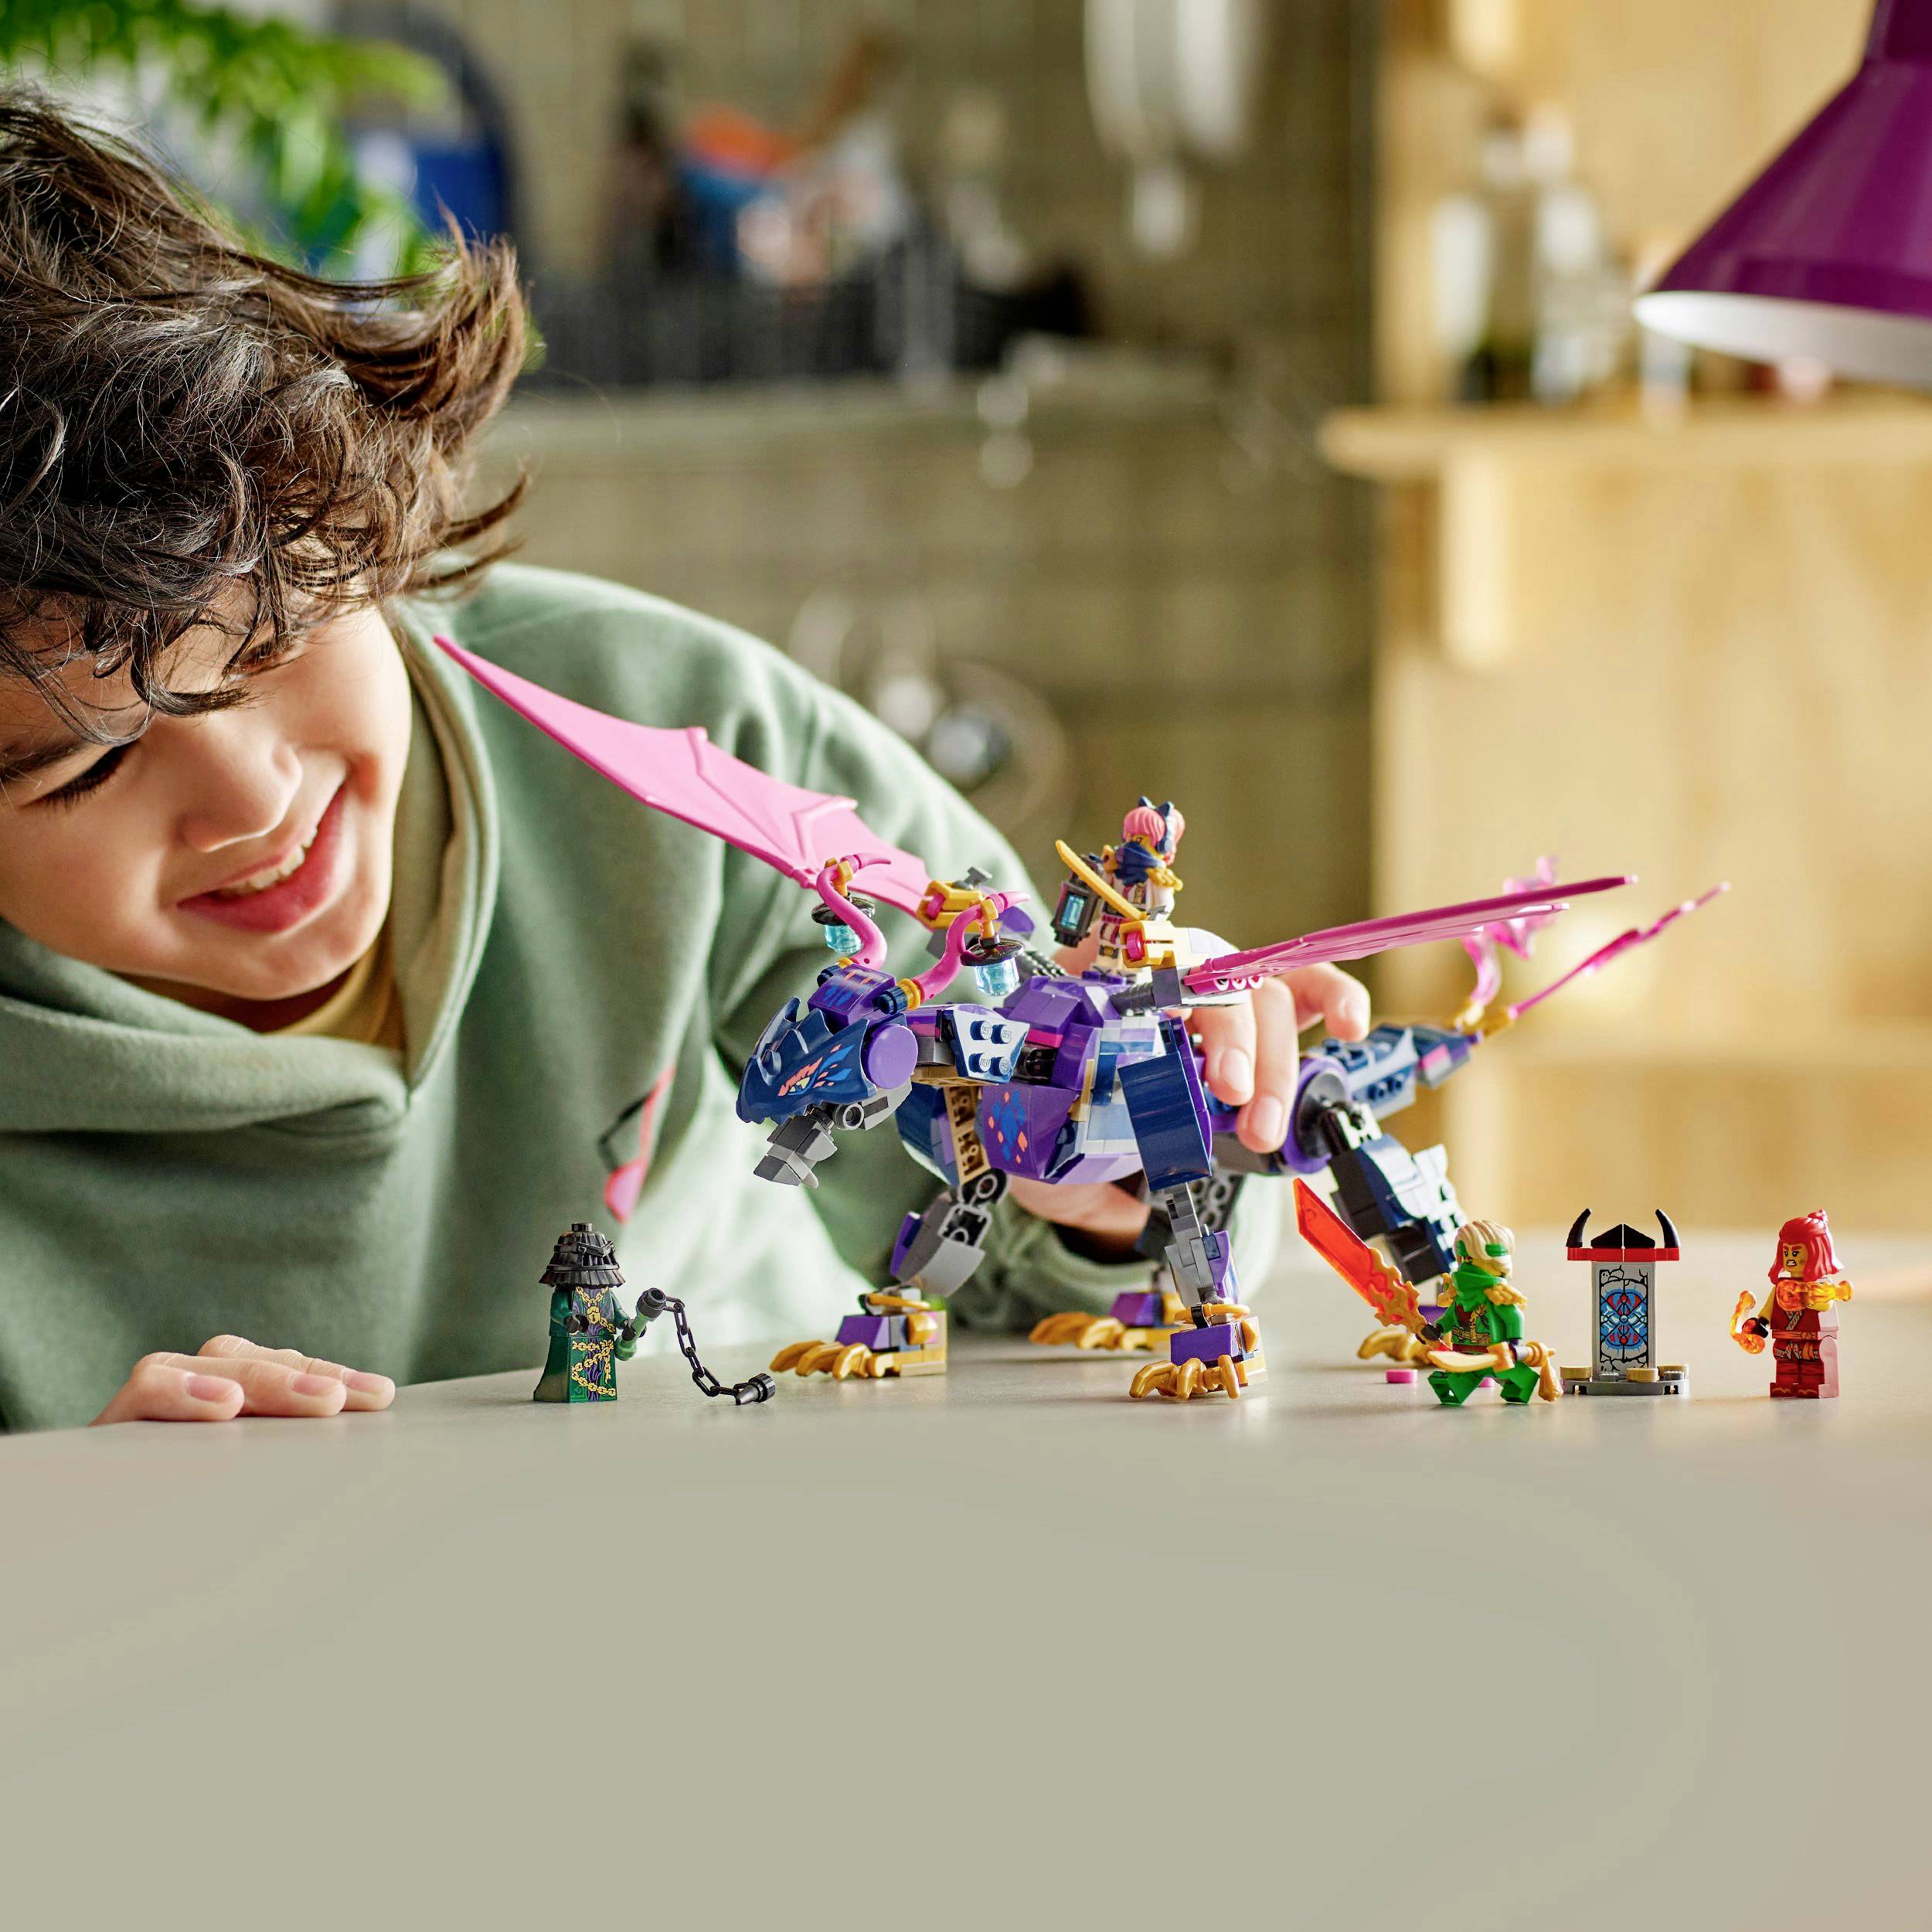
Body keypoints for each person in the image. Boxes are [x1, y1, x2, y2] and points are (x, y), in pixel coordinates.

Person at [0, 91, 1368, 1432]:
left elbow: (1049, 1296)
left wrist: (1137, 1133)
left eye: (281, 631)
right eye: (83, 769)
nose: (254, 801)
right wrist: (73, 1537)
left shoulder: (680, 736)